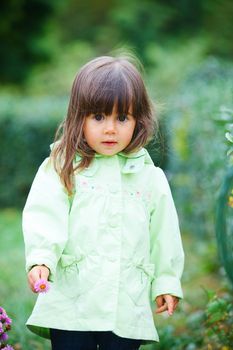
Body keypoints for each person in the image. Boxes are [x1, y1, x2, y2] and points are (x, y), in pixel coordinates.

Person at [22, 55, 184, 350]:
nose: (110, 128)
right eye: (98, 117)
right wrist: (41, 258)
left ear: (138, 120)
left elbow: (165, 235)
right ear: (78, 118)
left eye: (122, 118)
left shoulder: (150, 178)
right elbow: (45, 215)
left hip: (127, 303)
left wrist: (166, 281)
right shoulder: (62, 167)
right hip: (72, 301)